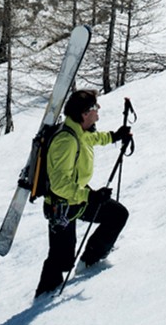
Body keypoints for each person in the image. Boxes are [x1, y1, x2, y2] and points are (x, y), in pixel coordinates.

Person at [35, 89, 130, 298]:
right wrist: (91, 197)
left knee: (117, 215)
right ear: (85, 113)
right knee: (62, 260)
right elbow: (59, 184)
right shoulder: (66, 141)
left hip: (77, 199)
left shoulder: (80, 131)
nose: (99, 110)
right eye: (95, 107)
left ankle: (89, 263)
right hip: (60, 206)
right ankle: (43, 298)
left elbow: (93, 139)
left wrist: (115, 136)